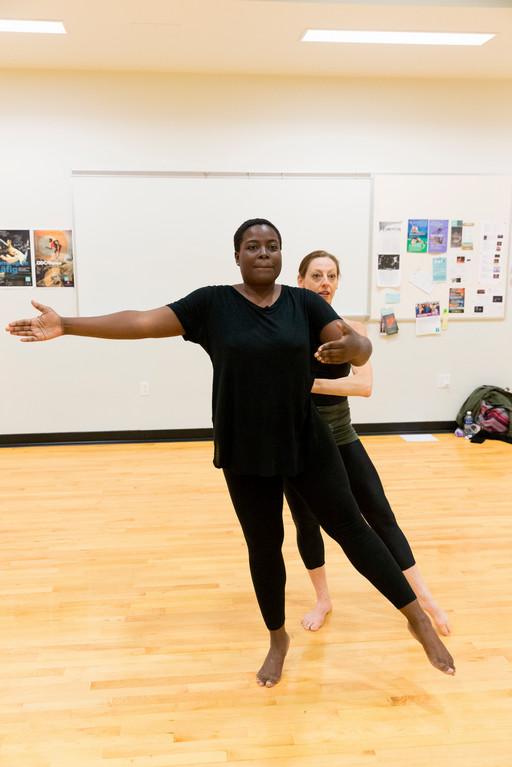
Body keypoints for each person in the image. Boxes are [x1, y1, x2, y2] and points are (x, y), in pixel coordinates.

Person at [5, 218, 455, 686]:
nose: (264, 253)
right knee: (264, 546)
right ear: (237, 255)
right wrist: (68, 325)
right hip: (245, 447)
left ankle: (416, 618)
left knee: (351, 528)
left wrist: (355, 347)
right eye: (252, 246)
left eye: (273, 246)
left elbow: (357, 346)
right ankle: (278, 638)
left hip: (306, 436)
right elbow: (140, 321)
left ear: (282, 256)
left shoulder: (303, 303)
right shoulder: (212, 303)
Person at [285, 250, 451, 636]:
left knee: (380, 515)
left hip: (341, 437)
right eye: (316, 276)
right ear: (301, 282)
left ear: (338, 282)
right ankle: (323, 599)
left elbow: (363, 385)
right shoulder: (290, 331)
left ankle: (425, 600)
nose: (324, 282)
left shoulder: (351, 328)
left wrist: (308, 384)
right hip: (299, 444)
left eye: (331, 275)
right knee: (306, 524)